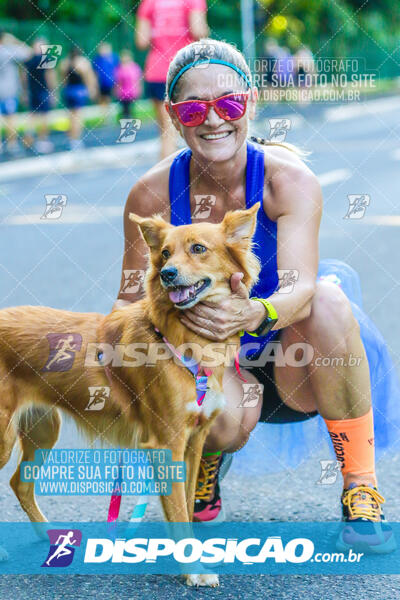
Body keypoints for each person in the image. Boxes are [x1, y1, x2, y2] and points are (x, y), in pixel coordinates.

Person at [113, 38, 400, 553]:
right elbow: (127, 302)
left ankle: (361, 487)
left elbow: (301, 288)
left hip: (293, 365)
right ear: (174, 118)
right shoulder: (151, 194)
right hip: (209, 364)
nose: (213, 120)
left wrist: (252, 311)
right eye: (194, 108)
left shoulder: (287, 180)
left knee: (331, 300)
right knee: (213, 412)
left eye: (228, 104)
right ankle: (206, 459)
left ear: (249, 103)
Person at [135, 0, 209, 160]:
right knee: (201, 128)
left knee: (167, 133)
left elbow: (141, 41)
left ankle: (166, 182)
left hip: (157, 71)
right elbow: (198, 31)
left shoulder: (149, 3)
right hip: (185, 70)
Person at [22, 37, 56, 154]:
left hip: (32, 91)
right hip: (43, 91)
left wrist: (25, 91)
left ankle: (28, 138)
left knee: (32, 116)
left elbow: (24, 76)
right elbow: (50, 76)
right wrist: (53, 91)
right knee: (44, 117)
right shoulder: (47, 58)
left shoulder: (28, 59)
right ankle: (42, 141)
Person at [60, 47, 98, 151]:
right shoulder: (82, 63)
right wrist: (92, 89)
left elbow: (64, 80)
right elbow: (89, 77)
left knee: (70, 116)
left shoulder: (64, 63)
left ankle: (71, 138)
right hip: (79, 91)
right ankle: (75, 139)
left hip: (69, 90)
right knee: (78, 116)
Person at [0, 30, 31, 156]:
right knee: (10, 118)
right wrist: (15, 40)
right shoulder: (8, 51)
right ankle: (11, 145)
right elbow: (29, 53)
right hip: (9, 91)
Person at [92, 42, 119, 120]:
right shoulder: (97, 59)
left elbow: (116, 69)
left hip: (111, 81)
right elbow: (95, 72)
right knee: (102, 98)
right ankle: (104, 115)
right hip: (101, 82)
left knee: (110, 97)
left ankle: (109, 114)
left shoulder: (113, 58)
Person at [114, 50, 142, 119]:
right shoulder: (119, 68)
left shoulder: (135, 67)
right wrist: (116, 91)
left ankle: (130, 120)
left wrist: (139, 89)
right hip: (123, 92)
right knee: (124, 109)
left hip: (132, 92)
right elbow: (117, 81)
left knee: (131, 109)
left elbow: (138, 80)